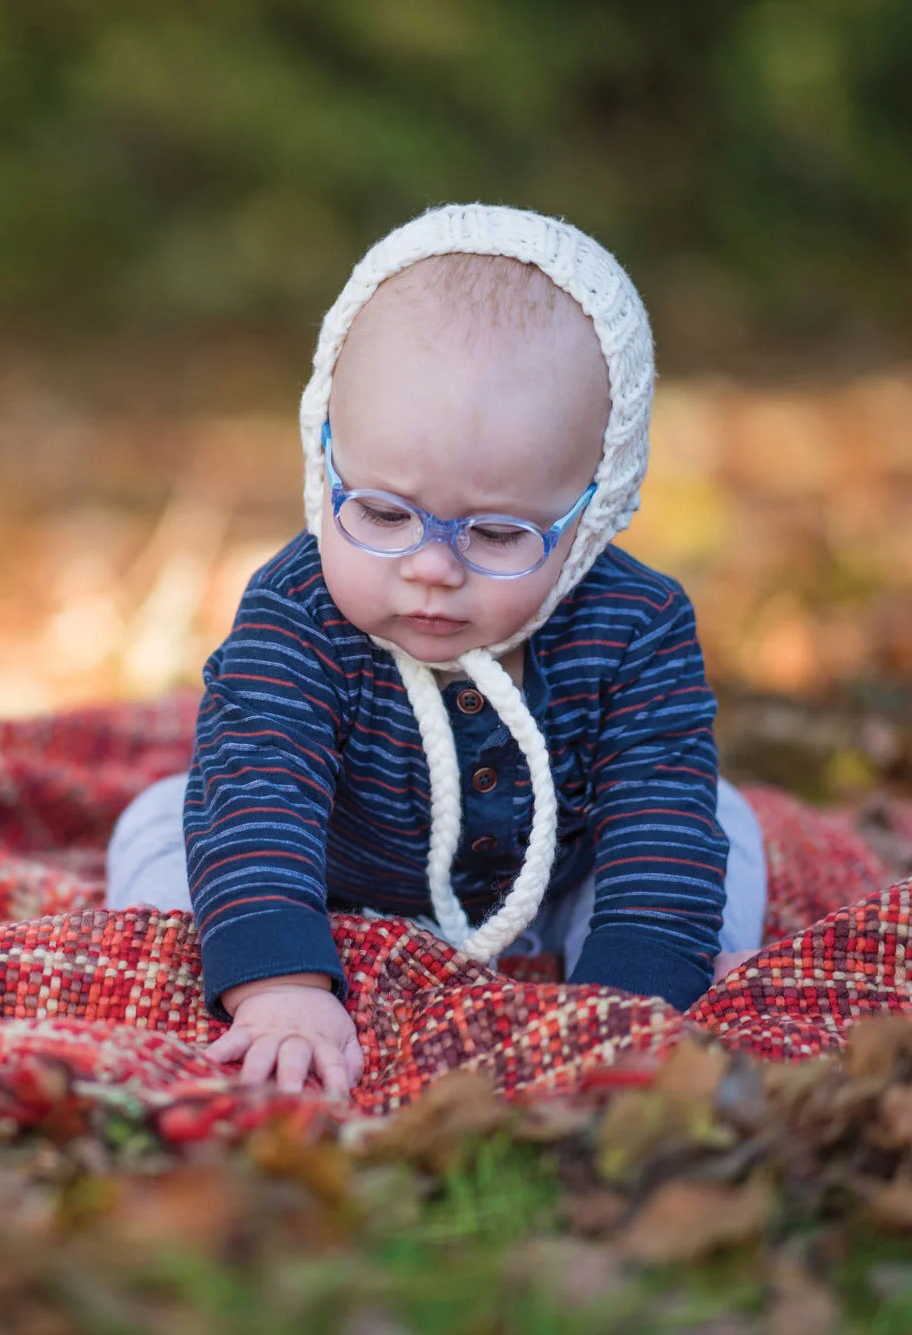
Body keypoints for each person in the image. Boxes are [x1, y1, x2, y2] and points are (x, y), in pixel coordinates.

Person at [105, 204, 766, 1097]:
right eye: (381, 513)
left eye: (497, 535)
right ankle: (273, 969)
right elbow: (263, 787)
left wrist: (631, 1000)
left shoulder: (638, 626)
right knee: (167, 821)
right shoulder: (297, 609)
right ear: (325, 461)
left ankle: (631, 976)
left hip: (554, 882)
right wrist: (281, 982)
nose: (430, 569)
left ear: (593, 510)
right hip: (330, 875)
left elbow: (656, 808)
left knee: (718, 823)